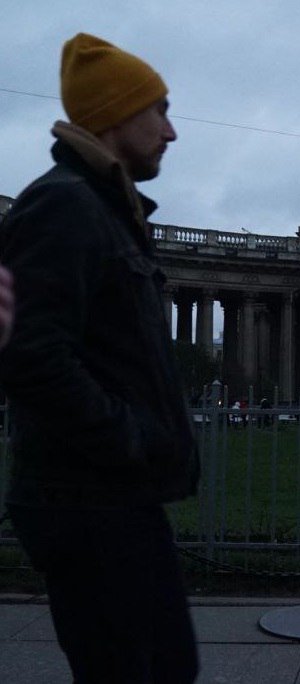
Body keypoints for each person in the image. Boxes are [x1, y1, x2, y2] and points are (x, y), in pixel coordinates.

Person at [0, 33, 199, 682]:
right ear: (117, 114)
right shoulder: (66, 203)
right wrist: (131, 437)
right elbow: (31, 357)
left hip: (112, 495)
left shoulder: (105, 210)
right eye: (159, 111)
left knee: (167, 666)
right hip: (87, 499)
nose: (171, 132)